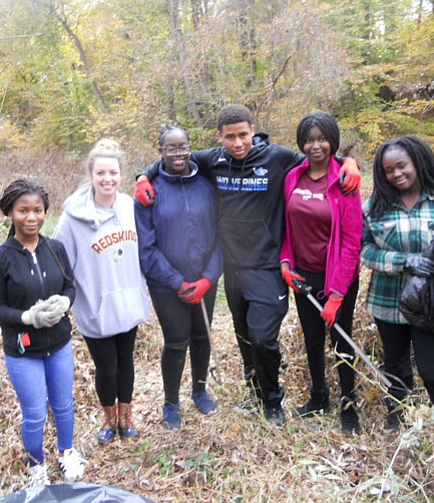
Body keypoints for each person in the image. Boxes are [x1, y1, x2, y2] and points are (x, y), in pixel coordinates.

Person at [135, 105, 361, 426]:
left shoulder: (278, 158)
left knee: (262, 338)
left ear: (253, 129)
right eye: (230, 137)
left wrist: (349, 163)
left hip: (268, 267)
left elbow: (319, 159)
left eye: (243, 134)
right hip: (233, 269)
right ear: (220, 137)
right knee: (243, 338)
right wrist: (144, 175)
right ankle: (254, 391)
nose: (238, 142)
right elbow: (174, 156)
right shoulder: (212, 160)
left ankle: (272, 400)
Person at [361, 135, 434, 430]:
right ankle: (397, 421)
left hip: (432, 302)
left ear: (418, 162)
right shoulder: (374, 207)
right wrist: (404, 262)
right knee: (395, 367)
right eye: (388, 170)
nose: (396, 174)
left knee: (433, 372)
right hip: (388, 299)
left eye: (402, 166)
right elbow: (365, 250)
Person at [0, 179, 86, 486]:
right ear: (11, 213)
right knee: (34, 412)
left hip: (59, 344)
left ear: (45, 213)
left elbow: (70, 285)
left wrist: (65, 301)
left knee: (64, 403)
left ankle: (67, 452)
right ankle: (36, 464)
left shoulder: (55, 249)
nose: (31, 217)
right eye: (23, 210)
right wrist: (27, 316)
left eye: (38, 210)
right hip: (23, 351)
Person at [53, 139, 150, 444]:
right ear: (91, 175)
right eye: (101, 173)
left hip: (127, 301)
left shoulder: (130, 207)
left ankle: (126, 418)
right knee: (106, 368)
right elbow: (58, 257)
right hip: (95, 304)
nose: (107, 179)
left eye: (113, 173)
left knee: (126, 363)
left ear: (122, 175)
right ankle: (108, 420)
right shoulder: (73, 216)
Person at [134, 125, 223, 430]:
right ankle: (171, 402)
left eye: (182, 146)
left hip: (204, 280)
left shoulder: (207, 184)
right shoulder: (149, 191)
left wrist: (208, 279)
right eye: (170, 148)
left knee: (201, 335)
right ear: (160, 151)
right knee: (176, 341)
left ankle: (199, 389)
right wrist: (177, 282)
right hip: (166, 284)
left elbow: (221, 236)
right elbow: (146, 248)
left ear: (190, 147)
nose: (178, 153)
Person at [279, 112, 362, 434]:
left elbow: (353, 241)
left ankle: (348, 404)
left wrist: (337, 295)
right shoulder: (293, 176)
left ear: (333, 142)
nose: (316, 146)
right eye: (309, 140)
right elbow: (287, 226)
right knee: (312, 341)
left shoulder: (345, 179)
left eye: (322, 139)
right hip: (303, 276)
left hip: (337, 277)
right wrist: (286, 264)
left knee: (341, 341)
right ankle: (319, 397)